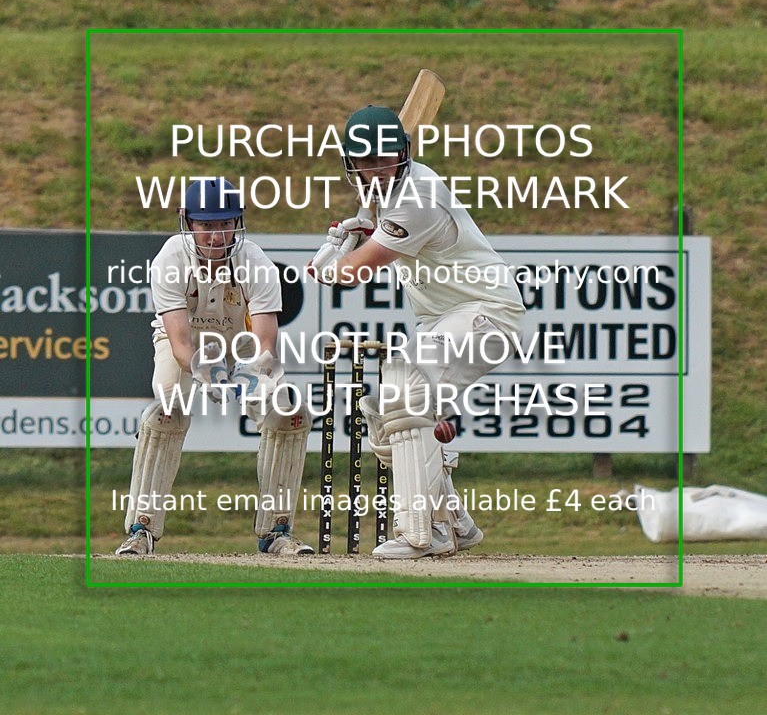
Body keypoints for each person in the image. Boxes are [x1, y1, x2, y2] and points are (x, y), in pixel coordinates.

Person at [310, 106, 525, 559]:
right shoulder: (387, 196)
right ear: (350, 164)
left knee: (407, 391)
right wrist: (357, 234)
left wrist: (333, 255)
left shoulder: (416, 197)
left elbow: (353, 273)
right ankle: (456, 524)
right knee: (388, 412)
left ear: (404, 153)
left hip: (486, 311)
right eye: (364, 163)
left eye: (383, 160)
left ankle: (424, 533)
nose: (373, 170)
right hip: (444, 319)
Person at [115, 176, 313, 556]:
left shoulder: (256, 262)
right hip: (187, 346)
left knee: (289, 414)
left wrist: (250, 375)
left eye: (225, 224)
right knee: (166, 412)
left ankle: (276, 531)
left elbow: (265, 343)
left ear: (237, 222)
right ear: (188, 223)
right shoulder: (171, 259)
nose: (217, 236)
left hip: (241, 345)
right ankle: (142, 530)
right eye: (207, 225)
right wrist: (206, 374)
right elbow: (179, 343)